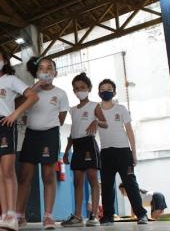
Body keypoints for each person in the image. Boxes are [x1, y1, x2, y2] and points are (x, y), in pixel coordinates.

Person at [0, 46, 39, 231]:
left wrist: (15, 114)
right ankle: (5, 215)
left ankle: (12, 215)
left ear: (4, 61)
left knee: (7, 171)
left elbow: (32, 96)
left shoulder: (11, 80)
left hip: (6, 125)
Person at [16, 57, 69, 230]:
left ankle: (48, 216)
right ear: (37, 72)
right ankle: (19, 216)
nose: (45, 71)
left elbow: (61, 119)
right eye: (42, 68)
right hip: (31, 135)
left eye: (49, 68)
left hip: (50, 135)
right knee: (25, 176)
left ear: (55, 73)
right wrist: (35, 87)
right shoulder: (30, 91)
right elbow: (17, 106)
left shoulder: (61, 94)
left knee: (48, 176)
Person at [97, 79, 148, 225]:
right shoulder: (96, 110)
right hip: (106, 153)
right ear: (98, 92)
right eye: (102, 88)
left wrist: (134, 153)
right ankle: (108, 216)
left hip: (124, 152)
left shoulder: (121, 109)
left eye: (109, 88)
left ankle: (141, 214)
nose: (105, 90)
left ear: (114, 92)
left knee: (130, 184)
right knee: (106, 185)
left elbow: (130, 131)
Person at [62, 73, 107, 227]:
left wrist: (96, 121)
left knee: (93, 179)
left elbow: (105, 123)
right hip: (77, 146)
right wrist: (67, 150)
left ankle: (94, 216)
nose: (79, 90)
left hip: (89, 143)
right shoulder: (73, 110)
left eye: (82, 87)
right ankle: (78, 216)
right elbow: (73, 131)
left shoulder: (95, 105)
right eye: (76, 88)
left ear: (89, 88)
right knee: (77, 182)